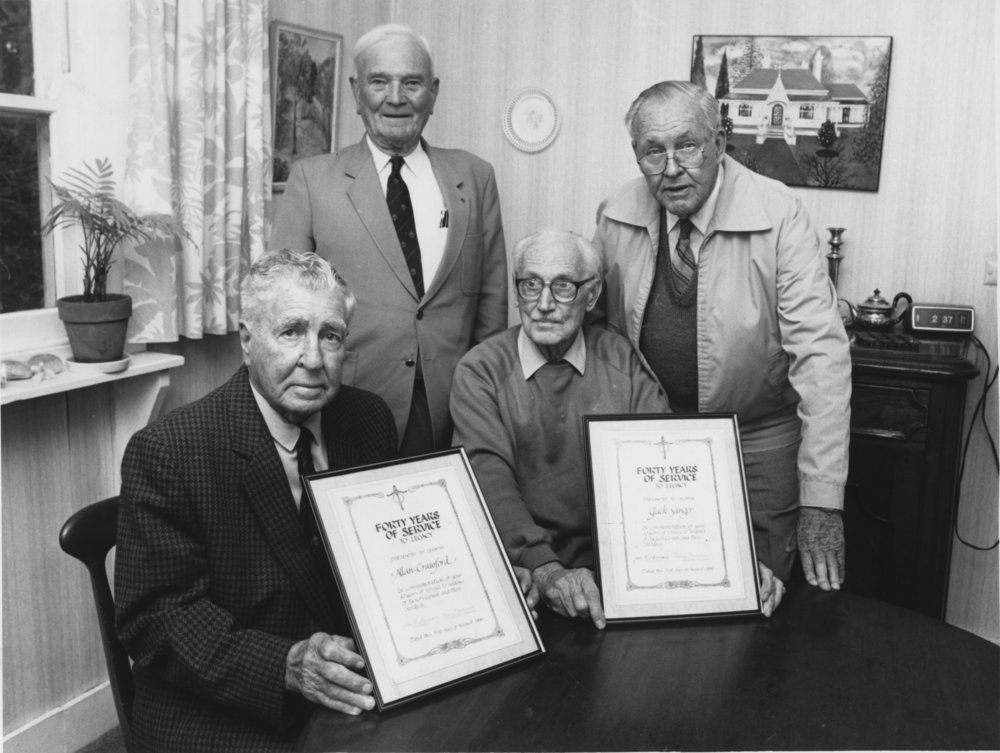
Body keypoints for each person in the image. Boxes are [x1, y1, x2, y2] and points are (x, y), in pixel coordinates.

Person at [115, 250, 398, 752]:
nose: (313, 359)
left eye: (329, 335)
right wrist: (285, 666)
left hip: (348, 680)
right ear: (247, 340)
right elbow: (155, 619)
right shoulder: (170, 450)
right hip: (224, 700)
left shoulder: (368, 420)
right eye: (291, 331)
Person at [451, 229, 786, 626]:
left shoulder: (620, 359)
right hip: (527, 575)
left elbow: (670, 475)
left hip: (623, 577)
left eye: (562, 287)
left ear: (591, 296)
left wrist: (735, 564)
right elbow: (488, 482)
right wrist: (547, 571)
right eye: (530, 285)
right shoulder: (481, 370)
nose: (543, 304)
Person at [593, 81, 851, 596]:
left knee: (761, 596)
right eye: (653, 151)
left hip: (757, 437)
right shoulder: (616, 211)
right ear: (636, 154)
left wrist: (822, 498)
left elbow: (821, 355)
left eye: (687, 145)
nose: (670, 168)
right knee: (665, 591)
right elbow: (596, 335)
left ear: (720, 141)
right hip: (654, 439)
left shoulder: (779, 213)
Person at [270, 24, 507, 457]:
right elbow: (282, 306)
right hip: (348, 403)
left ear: (432, 93)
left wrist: (485, 396)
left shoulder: (475, 177)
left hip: (454, 404)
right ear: (356, 91)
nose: (395, 97)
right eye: (379, 81)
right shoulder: (311, 180)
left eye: (412, 82)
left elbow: (492, 310)